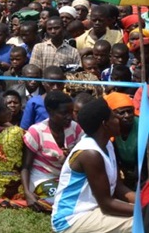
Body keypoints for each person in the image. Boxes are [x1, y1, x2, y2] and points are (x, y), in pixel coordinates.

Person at [51, 98, 134, 233]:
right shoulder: (90, 153)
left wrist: (144, 201)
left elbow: (119, 188)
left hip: (94, 211)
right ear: (105, 124)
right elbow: (107, 204)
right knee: (142, 222)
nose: (118, 120)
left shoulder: (107, 144)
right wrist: (144, 209)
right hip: (72, 219)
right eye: (114, 117)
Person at [22, 90, 84, 210]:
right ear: (50, 111)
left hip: (67, 177)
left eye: (71, 112)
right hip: (44, 178)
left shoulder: (75, 128)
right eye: (64, 113)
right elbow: (26, 167)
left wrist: (71, 156)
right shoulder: (36, 132)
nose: (69, 116)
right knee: (63, 200)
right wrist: (27, 193)